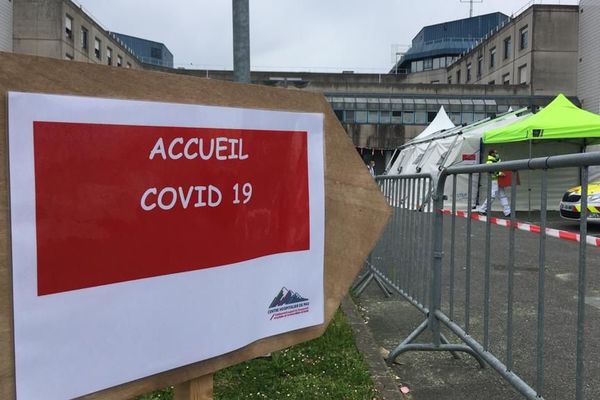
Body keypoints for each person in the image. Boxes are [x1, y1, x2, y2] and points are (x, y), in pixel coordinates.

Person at [476, 149, 511, 217]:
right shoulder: (489, 162)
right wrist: (499, 173)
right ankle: (482, 209)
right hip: (494, 180)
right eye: (495, 153)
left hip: (500, 180)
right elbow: (492, 170)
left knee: (502, 195)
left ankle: (507, 211)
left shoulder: (497, 161)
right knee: (493, 195)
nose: (497, 154)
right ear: (491, 154)